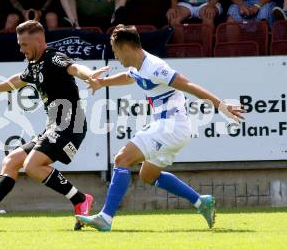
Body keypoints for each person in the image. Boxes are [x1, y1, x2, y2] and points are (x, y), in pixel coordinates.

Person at [76, 25, 245, 231]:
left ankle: (105, 218)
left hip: (171, 126)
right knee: (148, 175)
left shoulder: (155, 67)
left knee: (122, 159)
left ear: (126, 47)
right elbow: (130, 77)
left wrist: (221, 105)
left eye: (116, 51)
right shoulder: (139, 64)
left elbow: (189, 85)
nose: (116, 56)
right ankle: (202, 202)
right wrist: (102, 83)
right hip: (169, 126)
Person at [0, 20, 106, 231]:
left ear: (39, 40)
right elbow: (20, 79)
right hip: (53, 127)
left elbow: (74, 68)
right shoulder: (35, 64)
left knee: (33, 166)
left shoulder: (53, 57)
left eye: (24, 44)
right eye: (19, 44)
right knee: (11, 161)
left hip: (71, 125)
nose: (21, 48)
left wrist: (89, 75)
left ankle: (80, 199)